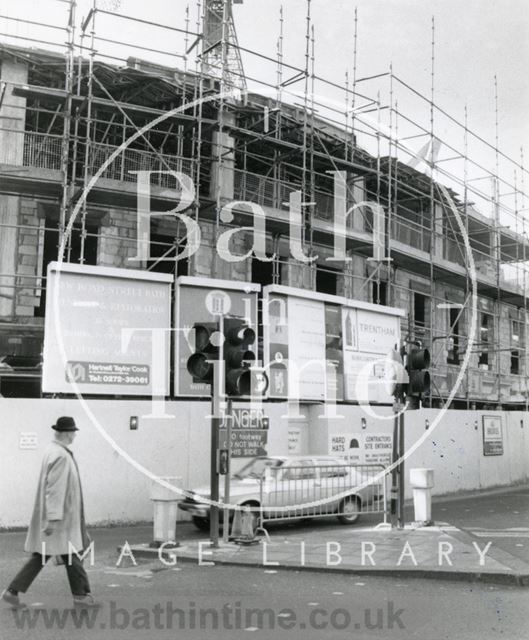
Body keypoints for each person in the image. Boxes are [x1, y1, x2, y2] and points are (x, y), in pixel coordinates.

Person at [1, 416, 99, 609]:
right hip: (62, 520)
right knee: (71, 554)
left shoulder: (53, 451)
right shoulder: (61, 456)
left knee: (44, 556)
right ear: (65, 433)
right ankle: (81, 597)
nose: (74, 436)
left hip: (62, 519)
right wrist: (53, 519)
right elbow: (54, 489)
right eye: (72, 432)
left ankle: (12, 592)